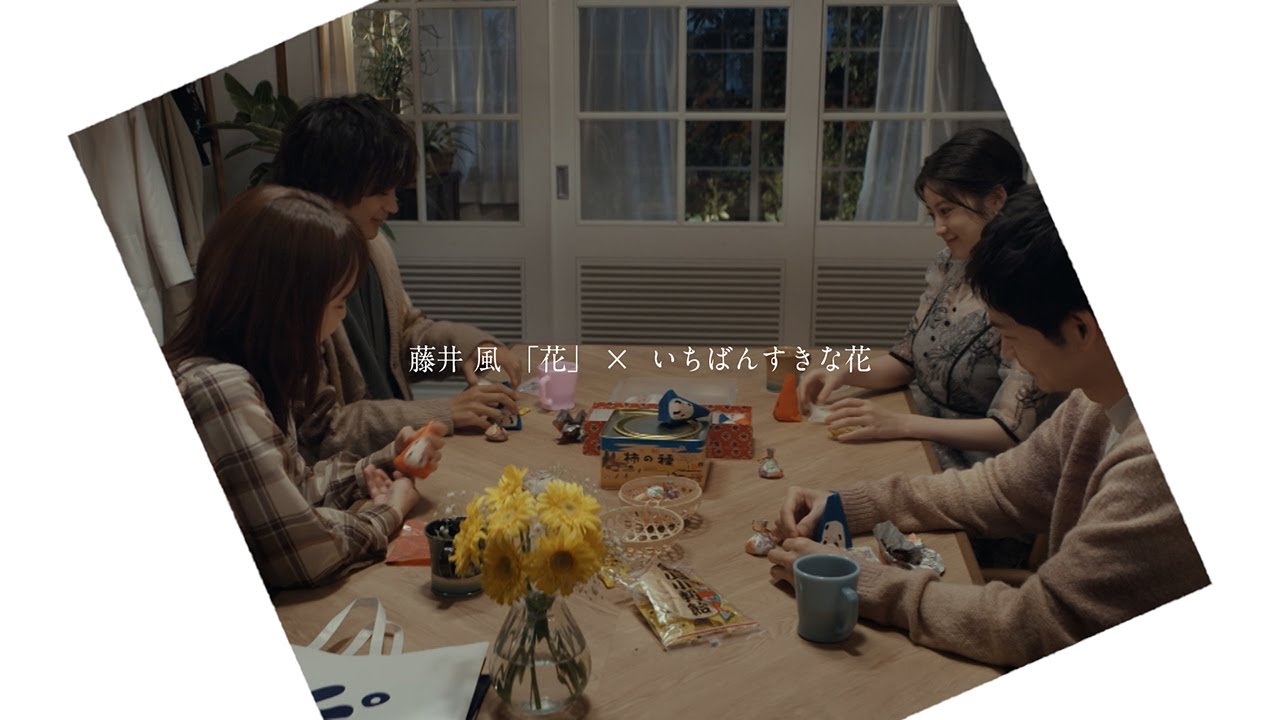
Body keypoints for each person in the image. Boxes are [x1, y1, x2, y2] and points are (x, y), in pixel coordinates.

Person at [767, 186, 1208, 667]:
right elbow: (999, 489)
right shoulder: (1093, 403)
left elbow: (1036, 625)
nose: (1006, 353)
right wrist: (848, 504)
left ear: (1080, 329)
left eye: (1009, 335)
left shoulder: (1152, 468)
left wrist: (866, 583)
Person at [165, 185, 444, 592]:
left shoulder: (256, 371)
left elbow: (294, 487)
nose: (341, 318)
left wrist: (388, 461)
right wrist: (392, 510)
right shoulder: (220, 388)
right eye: (338, 303)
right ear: (286, 305)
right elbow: (307, 553)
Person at [274, 93, 522, 463]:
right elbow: (321, 433)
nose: (392, 206)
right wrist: (444, 412)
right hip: (346, 480)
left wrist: (470, 349)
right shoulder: (286, 279)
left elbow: (403, 345)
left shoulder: (373, 249)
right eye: (380, 192)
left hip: (397, 460)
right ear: (331, 186)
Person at [799, 128, 1059, 471]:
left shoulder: (1028, 286)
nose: (938, 227)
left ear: (996, 200)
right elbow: (906, 360)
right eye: (932, 214)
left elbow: (1011, 430)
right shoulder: (950, 266)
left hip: (978, 467)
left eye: (947, 210)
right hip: (917, 432)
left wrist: (900, 424)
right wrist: (843, 373)